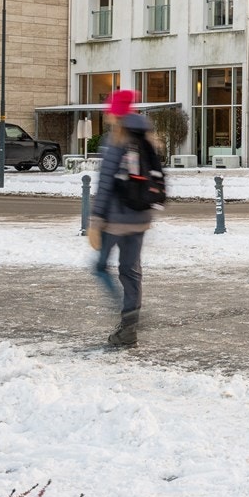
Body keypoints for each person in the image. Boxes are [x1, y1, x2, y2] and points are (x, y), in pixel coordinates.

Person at [88, 89, 159, 347]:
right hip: (141, 216)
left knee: (99, 267)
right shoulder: (145, 135)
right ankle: (129, 330)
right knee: (130, 271)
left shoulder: (115, 138)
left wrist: (96, 221)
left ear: (115, 112)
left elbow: (106, 182)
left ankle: (129, 319)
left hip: (115, 219)